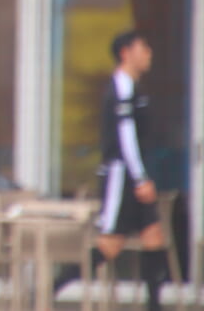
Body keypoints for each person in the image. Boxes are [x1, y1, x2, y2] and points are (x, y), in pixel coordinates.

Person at [54, 30, 167, 311]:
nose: (149, 53)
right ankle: (50, 288)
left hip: (135, 175)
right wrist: (140, 179)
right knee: (110, 245)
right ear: (125, 53)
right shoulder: (121, 87)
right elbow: (125, 137)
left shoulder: (136, 87)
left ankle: (154, 305)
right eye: (143, 47)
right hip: (121, 176)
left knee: (153, 236)